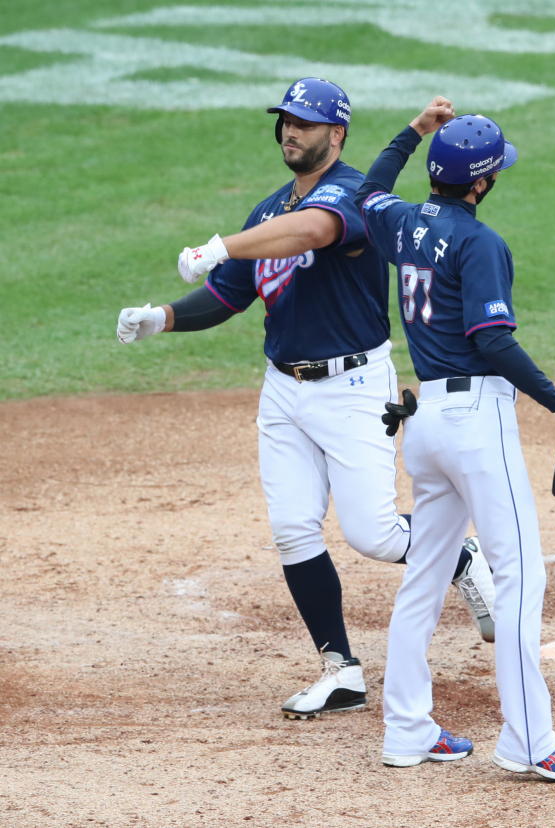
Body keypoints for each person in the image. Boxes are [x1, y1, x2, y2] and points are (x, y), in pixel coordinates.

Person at [116, 79, 496, 721]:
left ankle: (457, 551)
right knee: (293, 528)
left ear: (336, 134)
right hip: (282, 390)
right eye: (286, 121)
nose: (292, 132)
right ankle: (340, 669)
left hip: (352, 387)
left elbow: (313, 232)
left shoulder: (350, 194)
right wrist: (165, 317)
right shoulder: (266, 213)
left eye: (306, 123)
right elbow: (231, 293)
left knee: (373, 532)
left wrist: (219, 247)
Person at [356, 112, 555, 780]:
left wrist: (410, 130)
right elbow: (491, 340)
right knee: (520, 575)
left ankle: (406, 730)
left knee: (425, 577)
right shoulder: (479, 243)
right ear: (483, 181)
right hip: (474, 423)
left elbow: (367, 191)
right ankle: (529, 741)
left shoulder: (403, 222)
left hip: (427, 426)